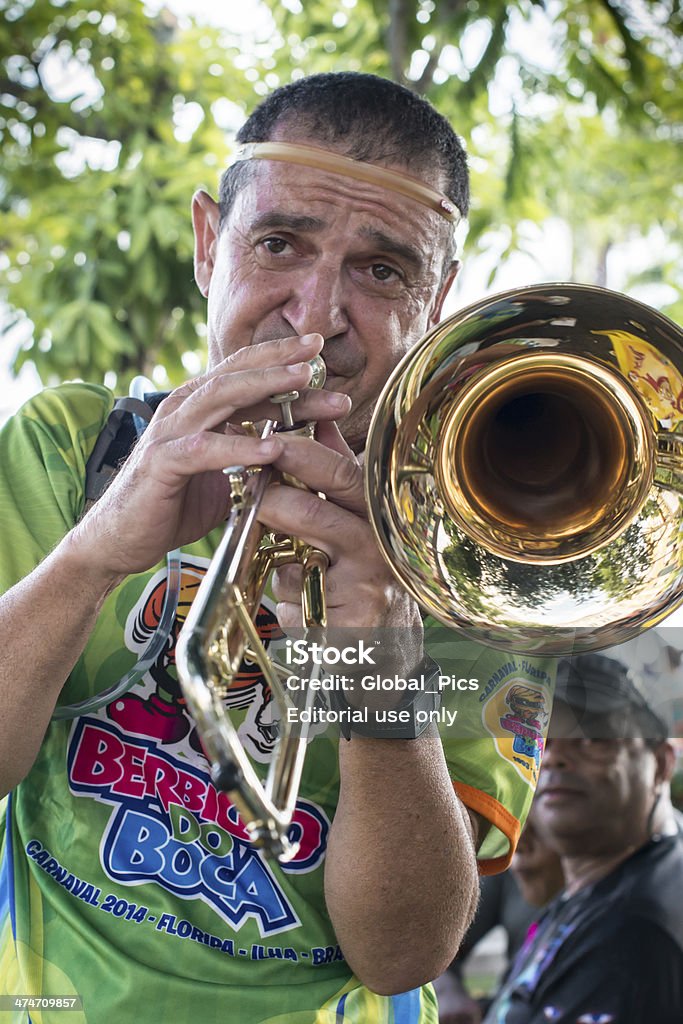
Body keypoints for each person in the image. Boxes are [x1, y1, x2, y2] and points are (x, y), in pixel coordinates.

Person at [0, 72, 554, 1023]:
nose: (315, 313)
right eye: (277, 244)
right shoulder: (67, 441)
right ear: (210, 244)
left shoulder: (486, 567)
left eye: (382, 270)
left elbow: (401, 953)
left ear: (438, 300)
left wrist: (377, 644)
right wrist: (94, 551)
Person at [484, 653, 683, 1024]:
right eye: (543, 740)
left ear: (661, 764)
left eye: (593, 739)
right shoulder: (598, 885)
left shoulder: (632, 933)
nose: (554, 758)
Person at [435, 806, 564, 1024]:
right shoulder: (510, 875)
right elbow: (433, 942)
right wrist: (446, 989)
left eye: (543, 819)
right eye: (522, 822)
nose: (519, 843)